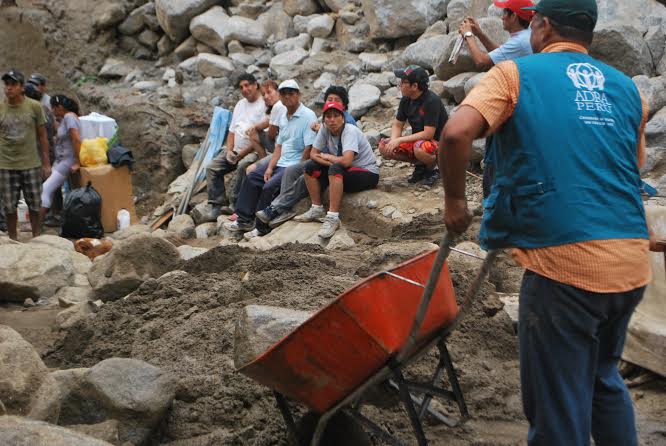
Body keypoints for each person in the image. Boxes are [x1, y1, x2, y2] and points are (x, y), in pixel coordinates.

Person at [438, 1, 658, 444]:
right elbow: (629, 174)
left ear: (541, 26)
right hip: (630, 262)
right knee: (602, 379)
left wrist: (455, 202)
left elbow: (455, 134)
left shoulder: (514, 75)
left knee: (557, 404)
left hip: (565, 268)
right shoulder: (628, 90)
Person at [254, 86, 357, 231]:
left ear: (344, 105)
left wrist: (324, 157)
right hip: (324, 160)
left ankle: (277, 208)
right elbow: (314, 153)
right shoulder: (326, 121)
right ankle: (283, 209)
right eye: (329, 100)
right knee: (291, 170)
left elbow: (343, 157)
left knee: (304, 175)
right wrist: (322, 157)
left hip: (337, 163)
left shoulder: (347, 123)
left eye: (337, 100)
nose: (332, 103)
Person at [224, 79, 316, 237]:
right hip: (281, 160)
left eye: (291, 93)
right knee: (252, 177)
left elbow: (309, 147)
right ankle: (244, 219)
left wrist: (298, 169)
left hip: (293, 164)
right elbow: (279, 146)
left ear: (298, 95)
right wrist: (269, 167)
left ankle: (261, 228)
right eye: (284, 94)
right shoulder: (283, 116)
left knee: (269, 187)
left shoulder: (308, 115)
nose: (287, 97)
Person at [294, 101, 379, 238]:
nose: (332, 120)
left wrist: (329, 157)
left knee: (335, 169)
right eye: (328, 116)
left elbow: (347, 161)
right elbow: (313, 154)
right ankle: (317, 208)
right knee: (309, 167)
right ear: (324, 119)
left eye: (336, 116)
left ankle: (333, 217)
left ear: (343, 118)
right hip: (345, 169)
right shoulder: (324, 128)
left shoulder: (349, 130)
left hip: (367, 172)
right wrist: (330, 163)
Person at [203, 73, 266, 221]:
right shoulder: (240, 104)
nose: (244, 89)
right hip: (236, 150)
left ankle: (235, 203)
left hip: (254, 150)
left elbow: (260, 138)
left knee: (243, 166)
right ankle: (217, 204)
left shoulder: (264, 105)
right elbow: (231, 131)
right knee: (212, 167)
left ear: (255, 85)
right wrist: (229, 150)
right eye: (241, 87)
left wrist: (241, 154)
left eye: (247, 85)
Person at [0, 69, 51, 240]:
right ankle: (13, 239)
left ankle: (36, 237)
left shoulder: (34, 107)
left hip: (31, 164)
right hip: (6, 165)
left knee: (35, 204)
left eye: (13, 84)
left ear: (22, 87)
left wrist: (46, 163)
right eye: (6, 84)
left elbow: (43, 137)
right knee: (9, 207)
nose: (9, 88)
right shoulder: (1, 108)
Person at [378, 65, 447, 186]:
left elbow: (428, 134)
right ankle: (421, 165)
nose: (400, 85)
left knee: (419, 148)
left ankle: (434, 168)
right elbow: (398, 125)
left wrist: (399, 140)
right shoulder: (406, 99)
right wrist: (394, 141)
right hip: (420, 141)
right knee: (384, 146)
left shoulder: (431, 101)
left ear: (414, 86)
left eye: (403, 82)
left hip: (440, 144)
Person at [459, 0, 534, 71]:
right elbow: (501, 54)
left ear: (513, 16)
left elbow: (481, 62)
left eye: (504, 12)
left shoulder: (519, 42)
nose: (502, 17)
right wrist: (479, 34)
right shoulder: (525, 34)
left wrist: (468, 34)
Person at [40, 95, 81, 224]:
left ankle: (36, 224)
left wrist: (78, 162)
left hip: (67, 161)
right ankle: (48, 219)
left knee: (45, 189)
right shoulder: (64, 119)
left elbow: (76, 139)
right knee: (48, 190)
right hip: (60, 161)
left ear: (60, 107)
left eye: (53, 108)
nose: (52, 111)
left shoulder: (69, 117)